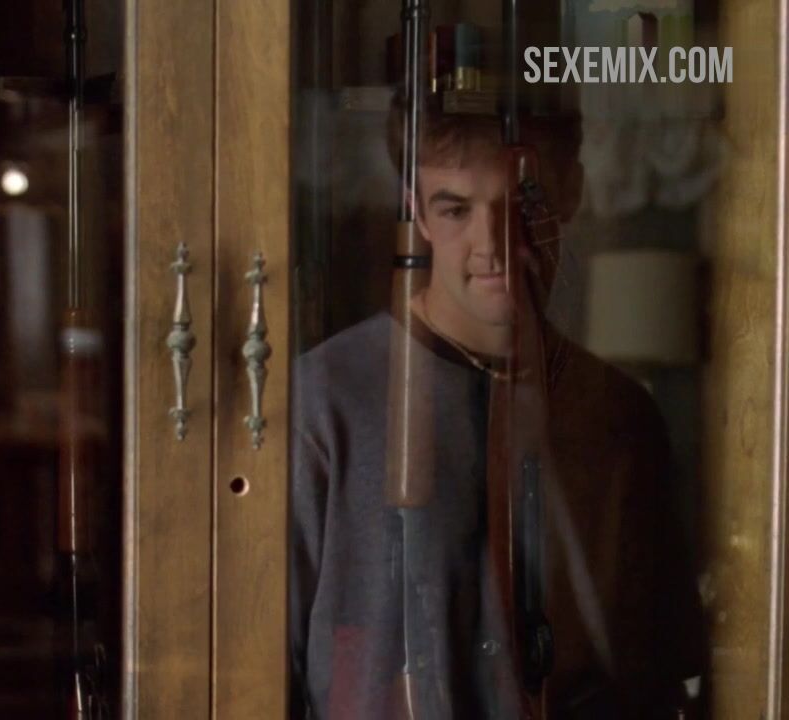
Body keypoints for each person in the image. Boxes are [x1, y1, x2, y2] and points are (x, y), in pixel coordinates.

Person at [289, 98, 708, 719]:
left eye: (522, 204)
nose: (493, 246)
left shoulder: (619, 416)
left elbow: (663, 674)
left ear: (571, 191)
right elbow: (264, 670)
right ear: (415, 210)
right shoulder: (324, 402)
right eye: (455, 209)